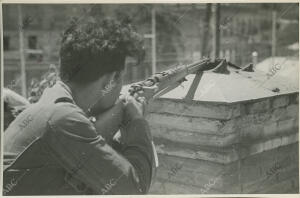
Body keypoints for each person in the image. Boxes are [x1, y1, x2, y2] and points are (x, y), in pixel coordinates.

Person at [3, 16, 156, 195]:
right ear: (111, 79)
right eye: (121, 77)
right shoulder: (62, 118)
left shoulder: (52, 101)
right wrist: (137, 121)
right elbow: (135, 189)